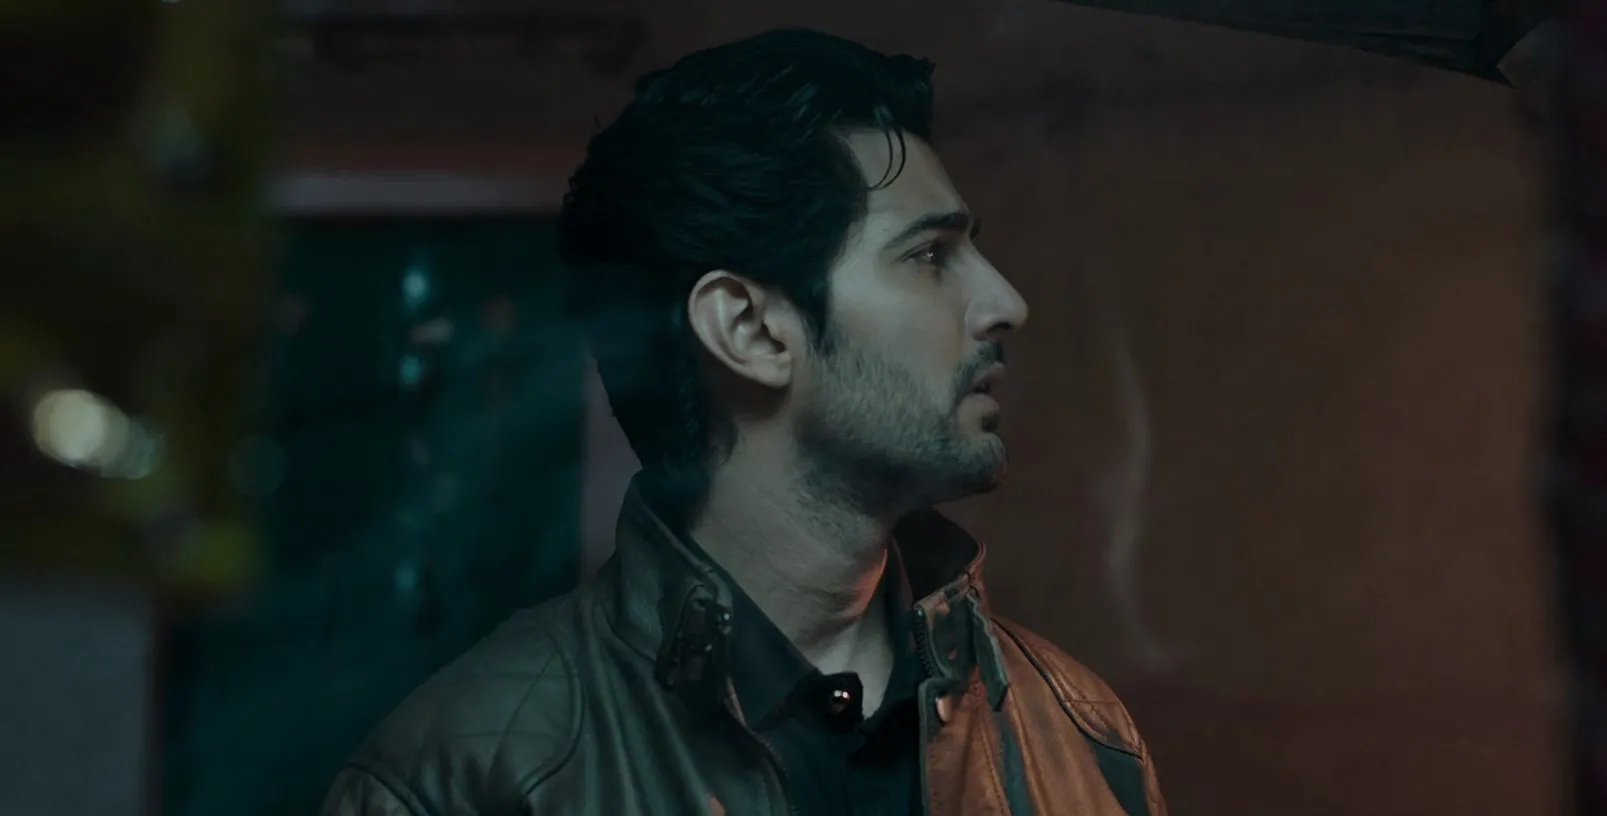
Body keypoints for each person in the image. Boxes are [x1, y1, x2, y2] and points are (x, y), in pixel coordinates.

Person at [320, 27, 1165, 816]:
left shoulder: (1079, 735)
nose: (1005, 302)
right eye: (929, 256)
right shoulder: (469, 777)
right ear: (750, 330)